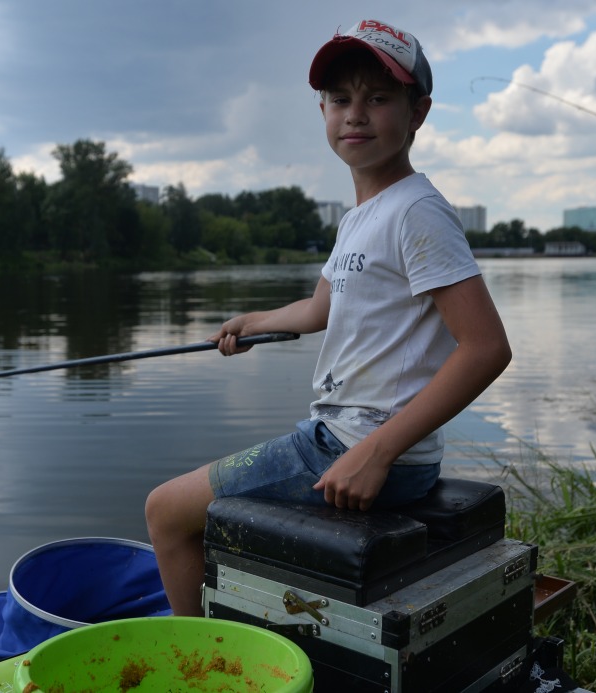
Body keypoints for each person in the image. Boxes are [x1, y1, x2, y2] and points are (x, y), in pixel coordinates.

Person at [145, 18, 512, 617]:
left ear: (418, 112)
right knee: (190, 511)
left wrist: (376, 453)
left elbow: (486, 348)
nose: (355, 115)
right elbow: (322, 308)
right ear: (322, 111)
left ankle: (194, 655)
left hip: (359, 446)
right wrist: (252, 320)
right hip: (351, 440)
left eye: (379, 98)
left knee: (164, 510)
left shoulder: (417, 211)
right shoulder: (359, 218)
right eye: (340, 100)